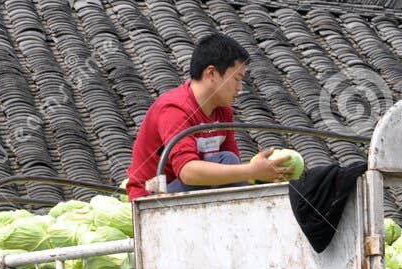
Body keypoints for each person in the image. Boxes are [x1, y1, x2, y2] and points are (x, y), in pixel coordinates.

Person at [126, 34, 295, 199]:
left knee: (230, 159)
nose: (240, 88)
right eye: (237, 79)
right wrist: (251, 170)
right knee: (227, 160)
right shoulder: (174, 108)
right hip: (152, 194)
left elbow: (232, 170)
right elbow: (187, 172)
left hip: (192, 189)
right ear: (211, 73)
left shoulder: (223, 111)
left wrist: (262, 175)